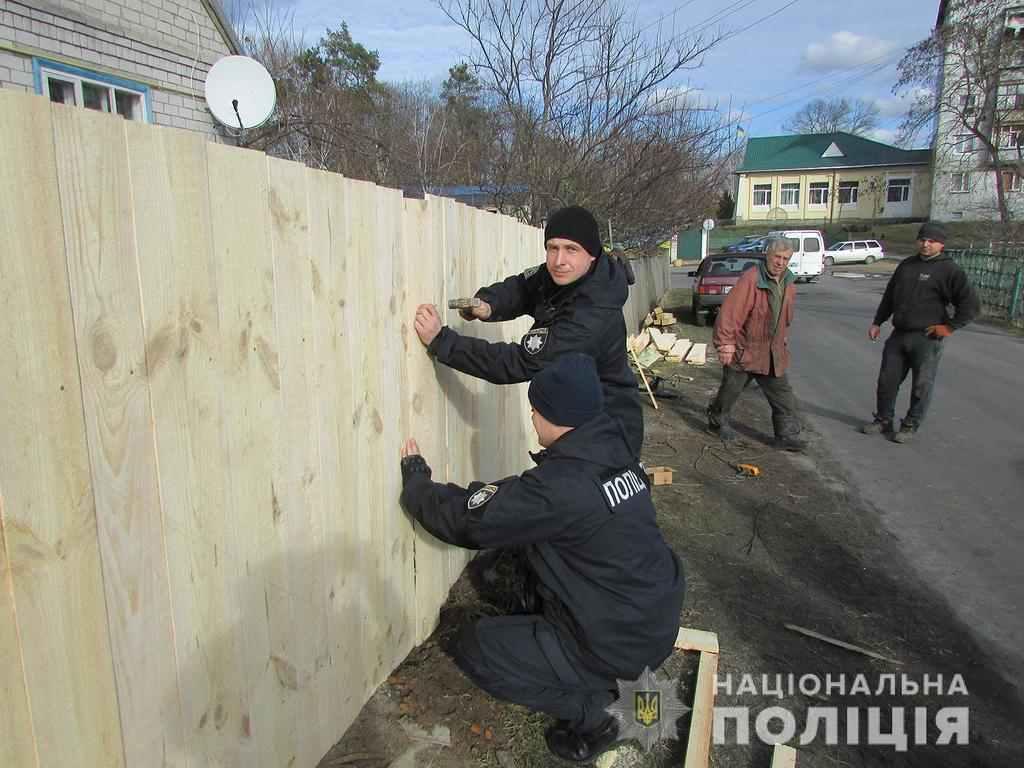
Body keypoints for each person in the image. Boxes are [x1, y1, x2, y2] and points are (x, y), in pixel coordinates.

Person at [399, 353, 685, 763]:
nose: (531, 418)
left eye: (535, 410)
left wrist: (417, 485)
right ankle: (603, 668)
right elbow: (525, 505)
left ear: (559, 417)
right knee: (519, 559)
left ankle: (602, 712)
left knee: (473, 646)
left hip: (617, 642)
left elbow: (468, 521)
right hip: (651, 618)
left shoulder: (561, 488)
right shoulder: (613, 444)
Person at [412, 205, 644, 458]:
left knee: (570, 494)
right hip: (575, 420)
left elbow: (518, 363)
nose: (559, 260)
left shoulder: (592, 315)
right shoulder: (570, 275)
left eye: (571, 250)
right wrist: (489, 303)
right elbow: (525, 287)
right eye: (552, 248)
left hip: (607, 432)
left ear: (592, 254)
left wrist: (442, 341)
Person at [861, 222, 979, 443]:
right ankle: (884, 419)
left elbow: (971, 306)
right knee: (887, 380)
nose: (926, 244)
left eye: (931, 241)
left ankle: (910, 424)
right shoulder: (906, 266)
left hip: (928, 338)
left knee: (921, 385)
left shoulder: (950, 270)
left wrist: (949, 327)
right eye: (923, 240)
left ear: (941, 244)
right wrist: (878, 321)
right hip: (900, 333)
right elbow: (889, 296)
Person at [707, 237, 807, 451]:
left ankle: (785, 435)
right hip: (746, 350)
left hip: (772, 353)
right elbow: (730, 314)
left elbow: (784, 315)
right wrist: (725, 344)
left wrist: (783, 337)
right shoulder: (751, 279)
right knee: (730, 391)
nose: (780, 262)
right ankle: (717, 421)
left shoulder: (788, 282)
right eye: (777, 257)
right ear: (767, 256)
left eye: (785, 258)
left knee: (783, 396)